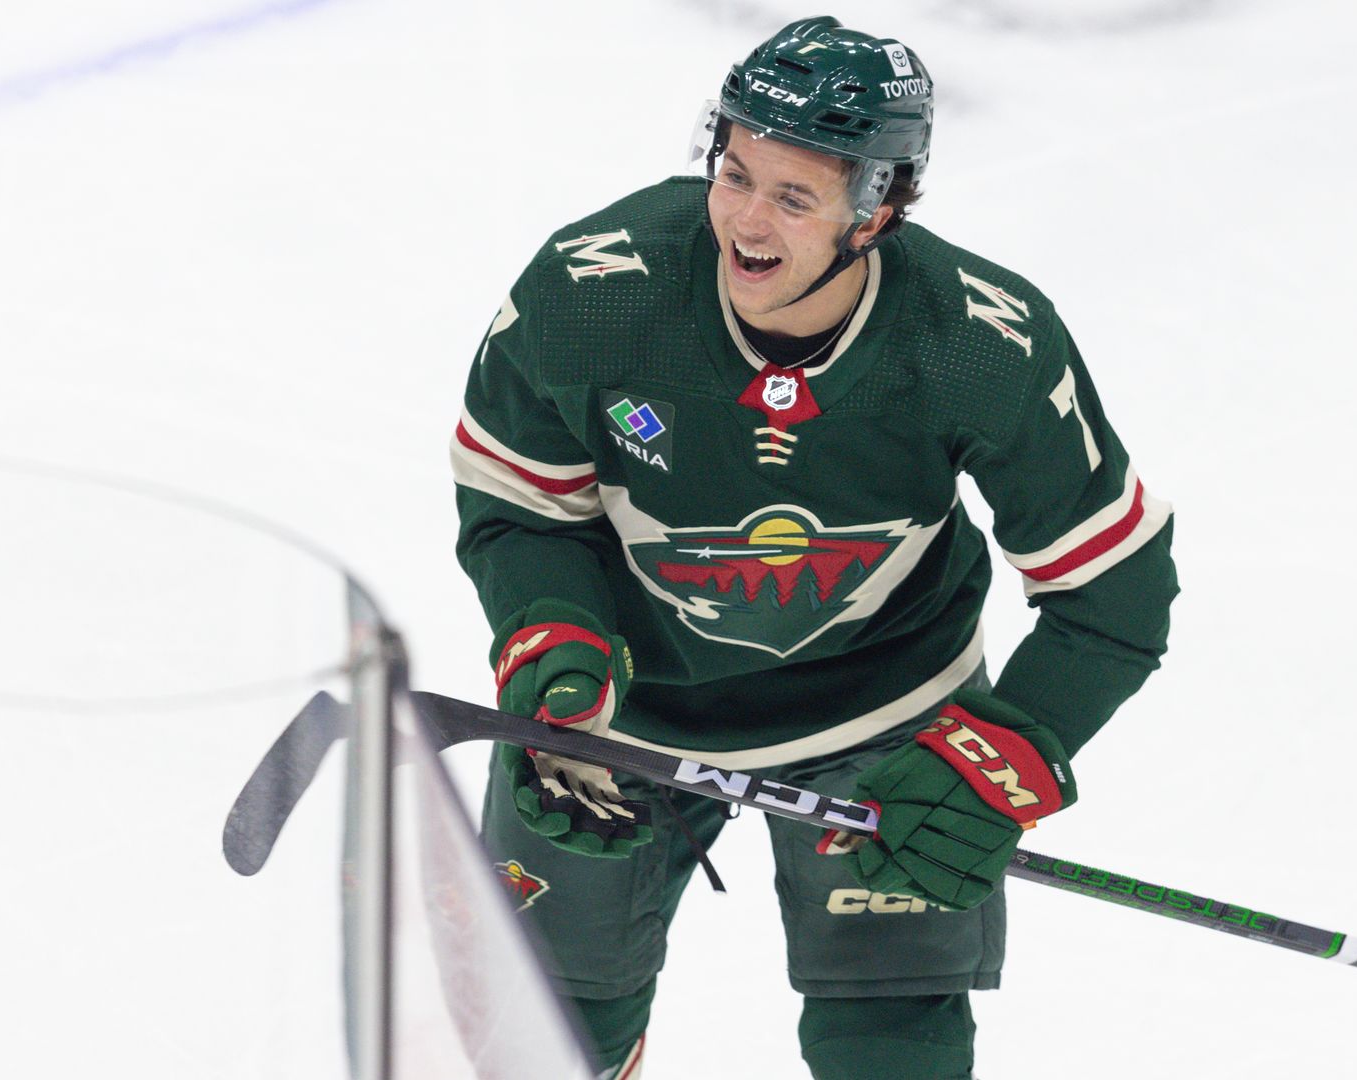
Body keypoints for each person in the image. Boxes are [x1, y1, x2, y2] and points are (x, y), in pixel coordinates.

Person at [452, 16, 1177, 1080]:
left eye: (794, 197)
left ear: (878, 208)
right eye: (735, 172)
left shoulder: (977, 344)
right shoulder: (594, 294)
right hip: (623, 722)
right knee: (545, 1043)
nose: (746, 219)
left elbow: (1116, 590)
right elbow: (520, 507)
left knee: (890, 1048)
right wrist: (549, 645)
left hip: (884, 715)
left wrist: (1001, 760)